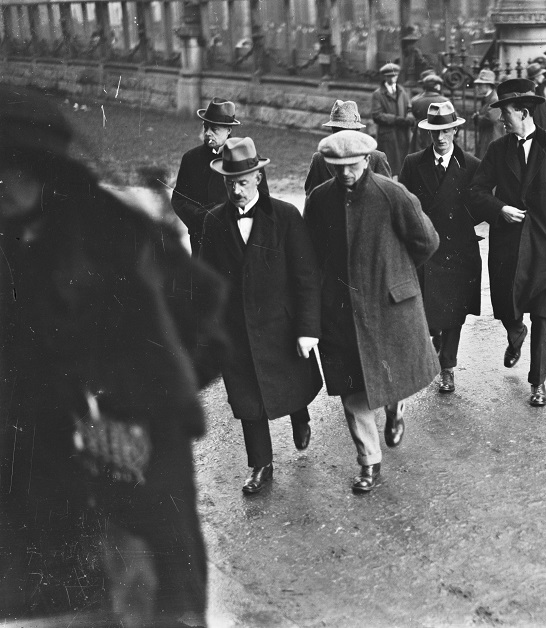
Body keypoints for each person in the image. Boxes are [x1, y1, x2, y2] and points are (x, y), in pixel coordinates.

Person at [0, 85, 225, 626]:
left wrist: (139, 406)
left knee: (140, 599)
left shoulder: (116, 238)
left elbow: (206, 325)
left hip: (132, 484)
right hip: (30, 499)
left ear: (43, 170)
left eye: (14, 168)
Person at [303, 130, 439, 494]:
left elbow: (426, 241)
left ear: (366, 160)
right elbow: (311, 253)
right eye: (338, 167)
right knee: (353, 389)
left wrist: (396, 272)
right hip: (342, 310)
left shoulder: (390, 193)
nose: (345, 173)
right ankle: (369, 462)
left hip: (388, 304)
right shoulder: (319, 199)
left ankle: (395, 407)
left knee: (390, 375)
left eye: (352, 165)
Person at [198, 137, 323, 495]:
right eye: (229, 183)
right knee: (247, 398)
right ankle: (261, 464)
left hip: (280, 325)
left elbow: (305, 278)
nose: (236, 190)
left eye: (242, 182)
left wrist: (307, 329)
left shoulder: (284, 216)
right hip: (236, 330)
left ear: (258, 178)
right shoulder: (213, 222)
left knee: (291, 384)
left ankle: (300, 413)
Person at [469, 78, 546, 407]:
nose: (501, 121)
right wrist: (499, 209)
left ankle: (538, 382)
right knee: (508, 305)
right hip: (508, 246)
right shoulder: (497, 150)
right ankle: (514, 331)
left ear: (523, 112)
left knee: (544, 316)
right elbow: (476, 193)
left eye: (505, 114)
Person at [398, 101, 483, 394]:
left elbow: (481, 205)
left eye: (446, 130)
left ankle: (447, 367)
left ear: (456, 130)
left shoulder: (471, 165)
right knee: (429, 309)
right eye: (435, 132)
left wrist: (463, 222)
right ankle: (436, 342)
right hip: (426, 248)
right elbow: (404, 203)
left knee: (454, 310)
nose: (441, 137)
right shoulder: (413, 163)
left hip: (458, 248)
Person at [171, 97, 269, 253]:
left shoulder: (247, 158)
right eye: (206, 127)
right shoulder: (191, 158)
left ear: (228, 130)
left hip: (234, 241)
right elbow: (179, 199)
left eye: (215, 129)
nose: (208, 133)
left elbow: (262, 199)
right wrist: (199, 217)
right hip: (201, 238)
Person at [304, 100, 392, 194]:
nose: (342, 138)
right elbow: (311, 196)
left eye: (347, 132)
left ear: (357, 131)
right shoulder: (320, 159)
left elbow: (388, 194)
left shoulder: (376, 158)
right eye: (337, 130)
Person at [371, 62, 415, 174]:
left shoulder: (402, 90)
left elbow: (409, 107)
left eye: (395, 75)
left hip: (402, 134)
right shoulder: (378, 94)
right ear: (385, 77)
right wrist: (396, 119)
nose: (393, 78)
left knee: (403, 166)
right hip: (388, 135)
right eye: (390, 76)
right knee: (387, 166)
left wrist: (409, 117)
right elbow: (377, 115)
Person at [409, 73, 449, 152]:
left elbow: (410, 118)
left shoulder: (415, 100)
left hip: (419, 136)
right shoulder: (444, 101)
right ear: (437, 86)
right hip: (439, 135)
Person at [472, 68, 504, 158]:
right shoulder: (488, 98)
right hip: (488, 138)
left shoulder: (494, 99)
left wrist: (477, 118)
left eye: (480, 84)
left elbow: (491, 118)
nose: (477, 87)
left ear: (488, 85)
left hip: (492, 138)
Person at [527, 62, 546, 132]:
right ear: (536, 77)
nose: (543, 77)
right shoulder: (529, 92)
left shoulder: (541, 88)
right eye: (541, 74)